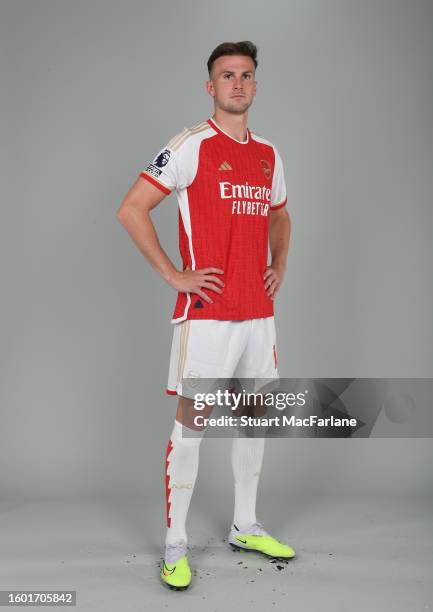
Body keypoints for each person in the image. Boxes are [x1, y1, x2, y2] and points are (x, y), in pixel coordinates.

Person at [117, 40, 295, 591]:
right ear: (210, 86)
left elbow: (281, 215)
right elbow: (132, 208)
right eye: (226, 76)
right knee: (193, 425)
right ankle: (175, 541)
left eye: (245, 75)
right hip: (209, 314)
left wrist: (279, 262)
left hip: (257, 314)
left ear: (255, 85)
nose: (236, 84)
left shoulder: (268, 153)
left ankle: (245, 524)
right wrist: (174, 274)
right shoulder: (190, 145)